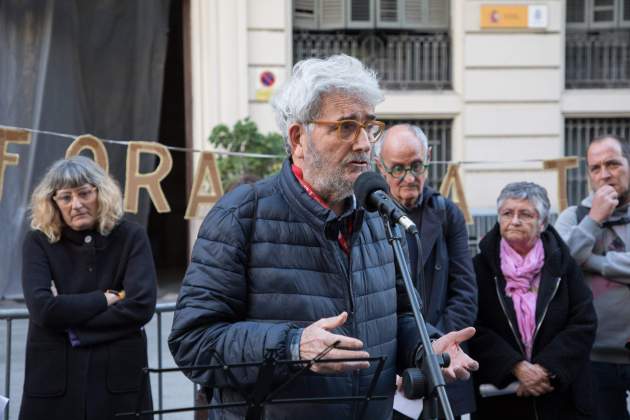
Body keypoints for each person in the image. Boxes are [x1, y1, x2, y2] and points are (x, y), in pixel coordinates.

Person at [168, 54, 478, 420]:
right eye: (346, 127)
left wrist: (427, 347)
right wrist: (292, 346)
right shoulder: (241, 215)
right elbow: (193, 341)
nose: (365, 144)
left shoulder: (377, 216)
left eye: (369, 127)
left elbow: (397, 317)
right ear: (298, 138)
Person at [19, 156, 157, 420]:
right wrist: (105, 299)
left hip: (117, 378)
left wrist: (71, 322)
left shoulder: (131, 236)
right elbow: (43, 309)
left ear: (101, 193)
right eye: (65, 197)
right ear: (53, 202)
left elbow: (140, 305)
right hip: (54, 377)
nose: (77, 204)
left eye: (84, 194)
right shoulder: (38, 241)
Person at [375, 124, 477, 418]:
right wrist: (402, 359)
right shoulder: (368, 217)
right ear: (380, 167)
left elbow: (465, 293)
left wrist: (436, 350)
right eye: (398, 169)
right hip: (393, 377)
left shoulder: (447, 213)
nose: (409, 178)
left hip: (447, 364)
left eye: (416, 166)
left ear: (429, 157)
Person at [470, 182, 596, 420]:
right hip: (501, 398)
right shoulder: (479, 268)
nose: (515, 220)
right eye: (507, 213)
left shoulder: (563, 265)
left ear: (543, 223)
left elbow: (583, 322)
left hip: (560, 397)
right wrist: (515, 366)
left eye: (525, 214)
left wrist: (545, 369)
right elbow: (473, 326)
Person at [555, 134, 630, 420]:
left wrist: (593, 261)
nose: (605, 175)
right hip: (595, 359)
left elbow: (579, 259)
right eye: (595, 168)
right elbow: (561, 268)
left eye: (613, 164)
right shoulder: (573, 218)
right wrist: (594, 219)